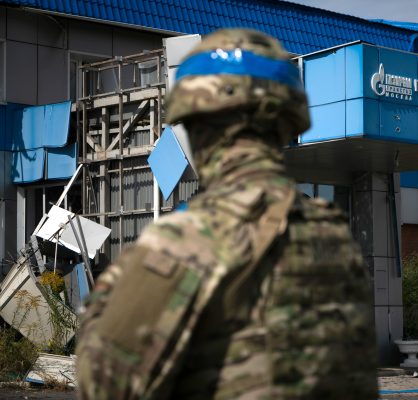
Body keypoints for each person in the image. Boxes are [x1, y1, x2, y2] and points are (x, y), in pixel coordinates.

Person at [76, 28, 378, 400]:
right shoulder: (335, 240)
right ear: (285, 123)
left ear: (198, 126)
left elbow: (104, 384)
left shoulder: (188, 241)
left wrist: (105, 299)